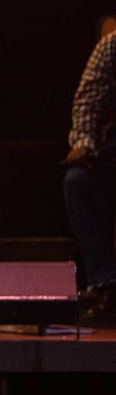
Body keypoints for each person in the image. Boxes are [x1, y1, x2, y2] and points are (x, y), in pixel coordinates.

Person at [62, 16, 116, 310]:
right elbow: (88, 102)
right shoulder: (112, 47)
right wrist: (84, 143)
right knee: (78, 181)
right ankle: (105, 280)